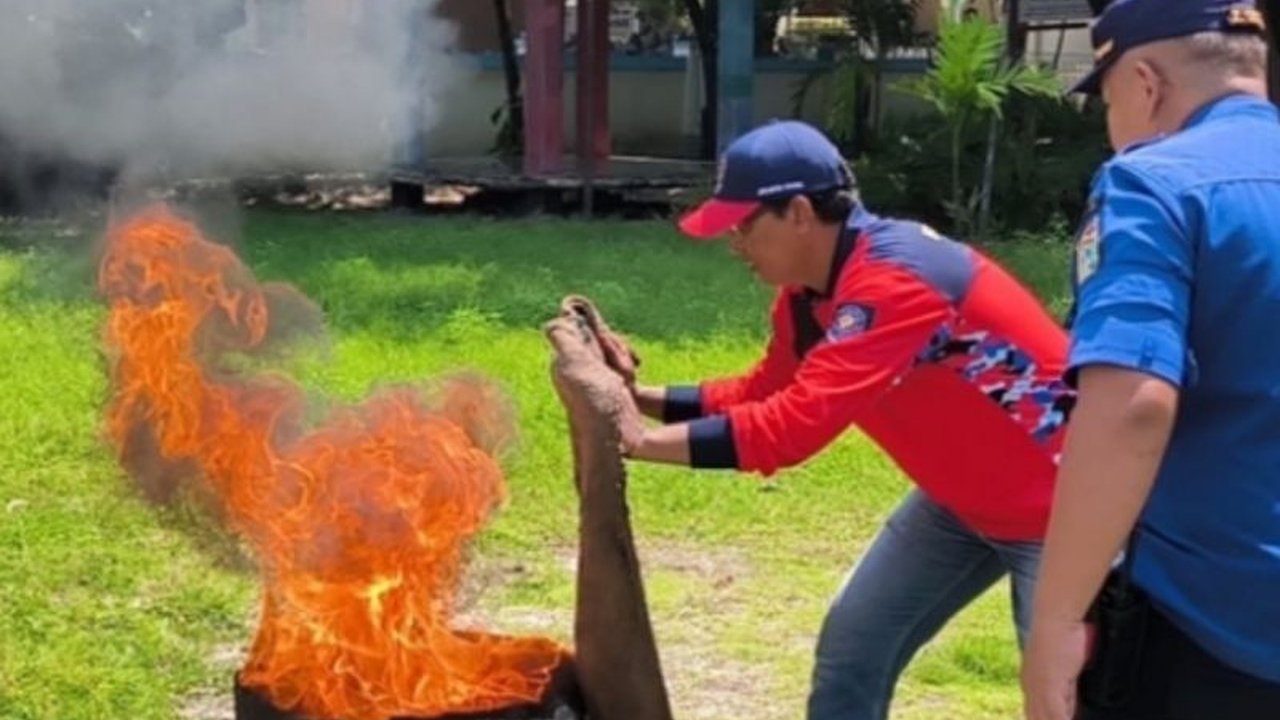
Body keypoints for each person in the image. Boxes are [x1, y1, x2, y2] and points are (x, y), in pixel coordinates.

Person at [616, 119, 1075, 719]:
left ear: (800, 212)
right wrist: (636, 396)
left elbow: (793, 428)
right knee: (854, 647)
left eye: (744, 224)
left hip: (1066, 514)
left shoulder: (894, 282)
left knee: (1066, 697)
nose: (734, 242)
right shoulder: (809, 294)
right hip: (962, 504)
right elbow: (766, 389)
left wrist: (635, 440)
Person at [1019, 2, 1280, 719]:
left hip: (1217, 628)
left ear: (1144, 83)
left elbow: (1133, 407)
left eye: (1105, 101)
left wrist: (1054, 623)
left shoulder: (1153, 184)